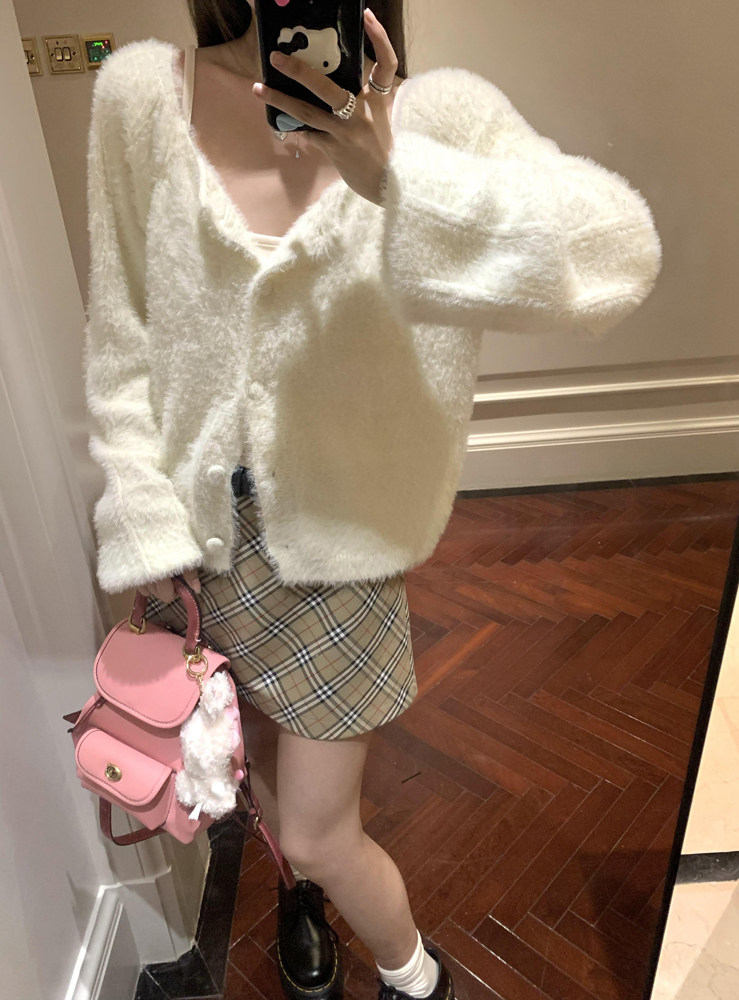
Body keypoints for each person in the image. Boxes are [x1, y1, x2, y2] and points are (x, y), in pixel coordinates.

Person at [81, 2, 662, 999]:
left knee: (321, 826)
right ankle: (295, 896)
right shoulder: (139, 96)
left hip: (341, 548)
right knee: (253, 770)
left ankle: (415, 975)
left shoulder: (440, 118)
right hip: (194, 544)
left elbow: (618, 259)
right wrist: (144, 517)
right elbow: (122, 331)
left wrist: (401, 178)